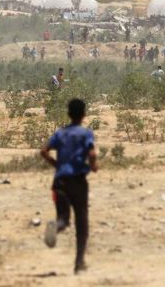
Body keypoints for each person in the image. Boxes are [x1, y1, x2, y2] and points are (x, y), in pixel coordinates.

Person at [40, 98, 98, 275]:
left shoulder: (60, 133)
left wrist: (56, 165)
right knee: (82, 222)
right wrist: (94, 166)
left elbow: (43, 151)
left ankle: (56, 226)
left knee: (63, 219)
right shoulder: (85, 134)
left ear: (69, 114)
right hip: (78, 181)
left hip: (59, 181)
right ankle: (79, 263)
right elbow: (92, 153)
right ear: (84, 114)